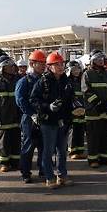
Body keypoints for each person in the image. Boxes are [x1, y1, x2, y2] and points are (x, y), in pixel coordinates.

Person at [30, 51, 75, 189]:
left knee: (62, 150)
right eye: (57, 64)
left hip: (63, 121)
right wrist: (47, 107)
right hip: (48, 122)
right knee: (48, 151)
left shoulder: (66, 81)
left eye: (62, 64)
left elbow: (71, 99)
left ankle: (62, 176)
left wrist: (75, 107)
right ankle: (49, 177)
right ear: (49, 66)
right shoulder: (42, 82)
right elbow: (33, 100)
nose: (61, 67)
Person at [15, 49, 46, 182]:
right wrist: (32, 114)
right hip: (29, 119)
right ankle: (26, 173)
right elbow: (20, 100)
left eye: (45, 63)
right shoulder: (24, 81)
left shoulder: (45, 80)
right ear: (32, 64)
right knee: (29, 145)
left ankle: (44, 170)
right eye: (41, 63)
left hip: (43, 117)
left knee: (44, 145)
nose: (44, 65)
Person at [82, 50, 107, 168]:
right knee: (93, 136)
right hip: (93, 111)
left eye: (102, 59)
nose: (100, 61)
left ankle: (105, 158)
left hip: (106, 110)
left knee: (106, 136)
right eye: (97, 59)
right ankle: (93, 159)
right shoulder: (87, 74)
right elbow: (86, 91)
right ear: (92, 61)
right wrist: (98, 103)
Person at [0, 57, 21, 172]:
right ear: (2, 68)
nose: (12, 68)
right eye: (9, 66)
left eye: (12, 66)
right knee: (4, 143)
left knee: (16, 141)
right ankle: (4, 163)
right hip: (3, 119)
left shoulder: (18, 81)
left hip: (17, 118)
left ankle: (16, 162)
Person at [66, 60, 86, 159]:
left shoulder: (82, 80)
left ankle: (80, 150)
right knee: (72, 131)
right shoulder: (67, 81)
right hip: (72, 110)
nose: (76, 71)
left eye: (78, 69)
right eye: (74, 69)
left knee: (80, 130)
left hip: (82, 109)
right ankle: (72, 151)